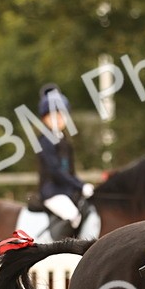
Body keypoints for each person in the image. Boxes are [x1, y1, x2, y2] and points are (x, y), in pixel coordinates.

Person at [36, 83, 93, 237]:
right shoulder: (45, 141)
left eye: (62, 114)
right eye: (54, 115)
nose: (59, 119)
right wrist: (80, 186)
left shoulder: (64, 140)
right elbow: (56, 171)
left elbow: (70, 170)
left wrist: (81, 186)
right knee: (73, 215)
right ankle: (61, 248)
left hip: (66, 190)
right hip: (52, 192)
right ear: (45, 118)